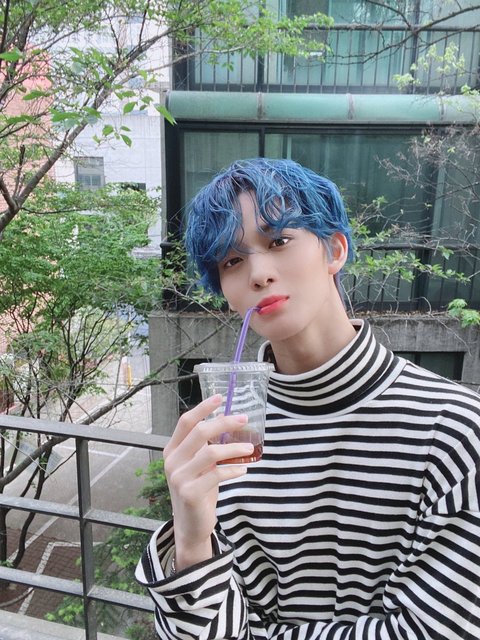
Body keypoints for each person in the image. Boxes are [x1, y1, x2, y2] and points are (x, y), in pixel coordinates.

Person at [136, 158, 480, 639]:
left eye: (279, 241)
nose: (258, 274)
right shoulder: (231, 434)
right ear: (226, 292)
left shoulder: (454, 430)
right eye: (232, 261)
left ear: (334, 249)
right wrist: (191, 543)